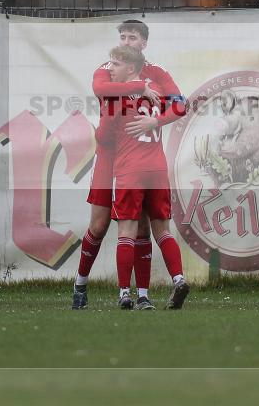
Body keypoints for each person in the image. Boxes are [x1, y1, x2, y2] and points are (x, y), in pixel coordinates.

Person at [72, 20, 184, 310]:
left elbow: (180, 104)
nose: (125, 42)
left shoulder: (158, 73)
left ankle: (141, 296)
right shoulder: (109, 67)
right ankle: (80, 284)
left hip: (137, 156)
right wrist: (139, 88)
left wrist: (156, 119)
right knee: (98, 224)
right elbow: (101, 89)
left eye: (132, 37)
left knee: (142, 226)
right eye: (122, 36)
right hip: (110, 155)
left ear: (144, 43)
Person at [103, 45, 189, 310]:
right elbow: (182, 107)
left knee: (127, 232)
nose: (110, 69)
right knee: (161, 230)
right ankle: (177, 280)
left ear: (131, 68)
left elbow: (103, 135)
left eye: (115, 64)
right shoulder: (155, 95)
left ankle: (125, 293)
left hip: (131, 170)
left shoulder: (116, 99)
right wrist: (156, 122)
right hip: (157, 170)